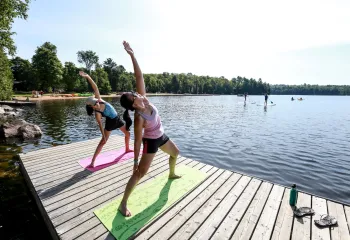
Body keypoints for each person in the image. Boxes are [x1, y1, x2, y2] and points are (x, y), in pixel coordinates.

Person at [118, 40, 181, 216]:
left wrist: (132, 54)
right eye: (135, 96)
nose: (139, 94)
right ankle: (123, 203)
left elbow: (139, 76)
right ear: (134, 105)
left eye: (137, 92)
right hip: (150, 142)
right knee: (139, 174)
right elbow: (137, 142)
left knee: (175, 153)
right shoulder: (139, 119)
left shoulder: (144, 99)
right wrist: (135, 162)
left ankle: (171, 174)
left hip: (161, 135)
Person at [79, 71, 131, 168]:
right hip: (110, 123)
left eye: (96, 101)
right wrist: (104, 137)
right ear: (92, 107)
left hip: (117, 119)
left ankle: (127, 149)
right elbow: (100, 125)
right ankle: (92, 162)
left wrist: (88, 77)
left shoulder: (99, 99)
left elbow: (95, 87)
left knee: (128, 134)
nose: (97, 102)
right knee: (103, 142)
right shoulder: (98, 114)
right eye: (95, 103)